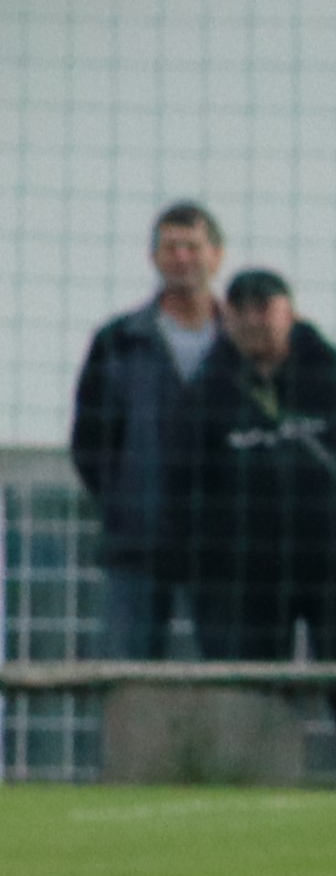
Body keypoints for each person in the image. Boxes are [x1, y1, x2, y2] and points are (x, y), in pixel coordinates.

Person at [184, 268, 336, 785]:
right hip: (244, 572)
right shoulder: (206, 391)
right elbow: (187, 482)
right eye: (242, 310)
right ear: (226, 318)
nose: (254, 320)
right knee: (251, 696)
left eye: (265, 307)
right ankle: (253, 789)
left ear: (289, 312)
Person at [73, 204, 231, 660]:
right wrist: (123, 499)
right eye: (170, 247)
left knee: (231, 673)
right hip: (137, 542)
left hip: (227, 545)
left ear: (217, 256)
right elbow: (90, 440)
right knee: (129, 672)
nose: (181, 258)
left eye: (192, 247)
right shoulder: (119, 340)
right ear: (154, 257)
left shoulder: (242, 343)